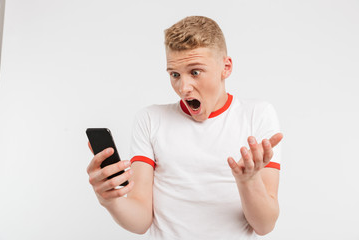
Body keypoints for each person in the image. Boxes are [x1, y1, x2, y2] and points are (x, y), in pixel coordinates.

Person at [86, 16, 283, 239]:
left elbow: (265, 225)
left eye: (195, 72)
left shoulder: (257, 115)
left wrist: (248, 181)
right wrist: (108, 199)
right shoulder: (151, 119)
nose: (183, 87)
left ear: (225, 67)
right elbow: (140, 221)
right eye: (175, 74)